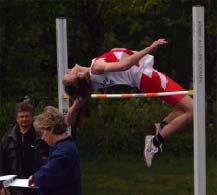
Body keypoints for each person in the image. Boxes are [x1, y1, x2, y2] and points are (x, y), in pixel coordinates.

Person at [63, 38, 193, 167]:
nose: (68, 70)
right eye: (69, 73)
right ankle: (154, 143)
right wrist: (149, 48)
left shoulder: (89, 83)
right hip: (146, 76)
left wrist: (64, 123)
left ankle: (160, 127)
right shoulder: (95, 68)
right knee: (193, 111)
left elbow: (70, 117)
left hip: (144, 79)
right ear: (78, 76)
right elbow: (124, 65)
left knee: (183, 109)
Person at [28, 106, 82, 195]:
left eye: (42, 133)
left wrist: (34, 178)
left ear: (50, 129)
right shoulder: (62, 147)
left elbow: (49, 174)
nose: (42, 137)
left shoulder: (64, 151)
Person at [0, 101, 49, 195]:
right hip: (14, 187)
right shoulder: (7, 138)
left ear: (32, 118)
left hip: (36, 185)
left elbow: (48, 161)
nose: (24, 119)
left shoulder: (41, 137)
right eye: (21, 116)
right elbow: (2, 163)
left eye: (27, 116)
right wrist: (2, 186)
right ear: (17, 119)